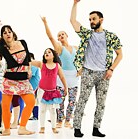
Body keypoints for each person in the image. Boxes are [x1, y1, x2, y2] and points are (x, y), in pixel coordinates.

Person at [70, 0, 123, 137]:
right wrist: (75, 4)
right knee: (82, 100)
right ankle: (77, 128)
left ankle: (96, 129)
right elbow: (73, 21)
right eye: (89, 20)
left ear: (101, 19)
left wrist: (111, 69)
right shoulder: (87, 34)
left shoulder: (111, 36)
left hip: (104, 74)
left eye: (93, 19)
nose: (91, 21)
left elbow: (120, 55)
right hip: (88, 72)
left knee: (101, 103)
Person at [0, 25, 35, 136]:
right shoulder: (3, 49)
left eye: (9, 31)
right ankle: (7, 129)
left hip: (23, 80)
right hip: (9, 80)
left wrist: (29, 69)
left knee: (31, 102)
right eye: (4, 33)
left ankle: (22, 127)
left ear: (13, 33)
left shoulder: (22, 42)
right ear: (2, 36)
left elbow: (27, 58)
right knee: (6, 105)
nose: (7, 34)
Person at [40, 16, 79, 128]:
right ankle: (59, 120)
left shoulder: (76, 47)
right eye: (59, 35)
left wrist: (80, 69)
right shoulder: (59, 49)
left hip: (74, 78)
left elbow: (82, 59)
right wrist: (45, 23)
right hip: (62, 78)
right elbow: (50, 37)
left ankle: (68, 120)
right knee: (60, 101)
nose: (61, 36)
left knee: (72, 101)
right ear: (58, 39)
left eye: (62, 34)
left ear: (67, 35)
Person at [31, 48, 68, 134]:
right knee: (42, 110)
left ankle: (54, 127)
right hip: (42, 91)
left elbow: (62, 77)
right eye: (45, 53)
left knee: (53, 110)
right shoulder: (41, 64)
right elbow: (31, 61)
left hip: (52, 91)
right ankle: (42, 127)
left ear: (53, 55)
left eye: (49, 52)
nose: (46, 53)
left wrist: (65, 88)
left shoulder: (57, 65)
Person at [29, 53, 40, 120]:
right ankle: (34, 115)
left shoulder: (34, 66)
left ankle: (35, 116)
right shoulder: (30, 66)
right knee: (32, 101)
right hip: (32, 86)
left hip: (36, 86)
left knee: (35, 101)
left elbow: (30, 75)